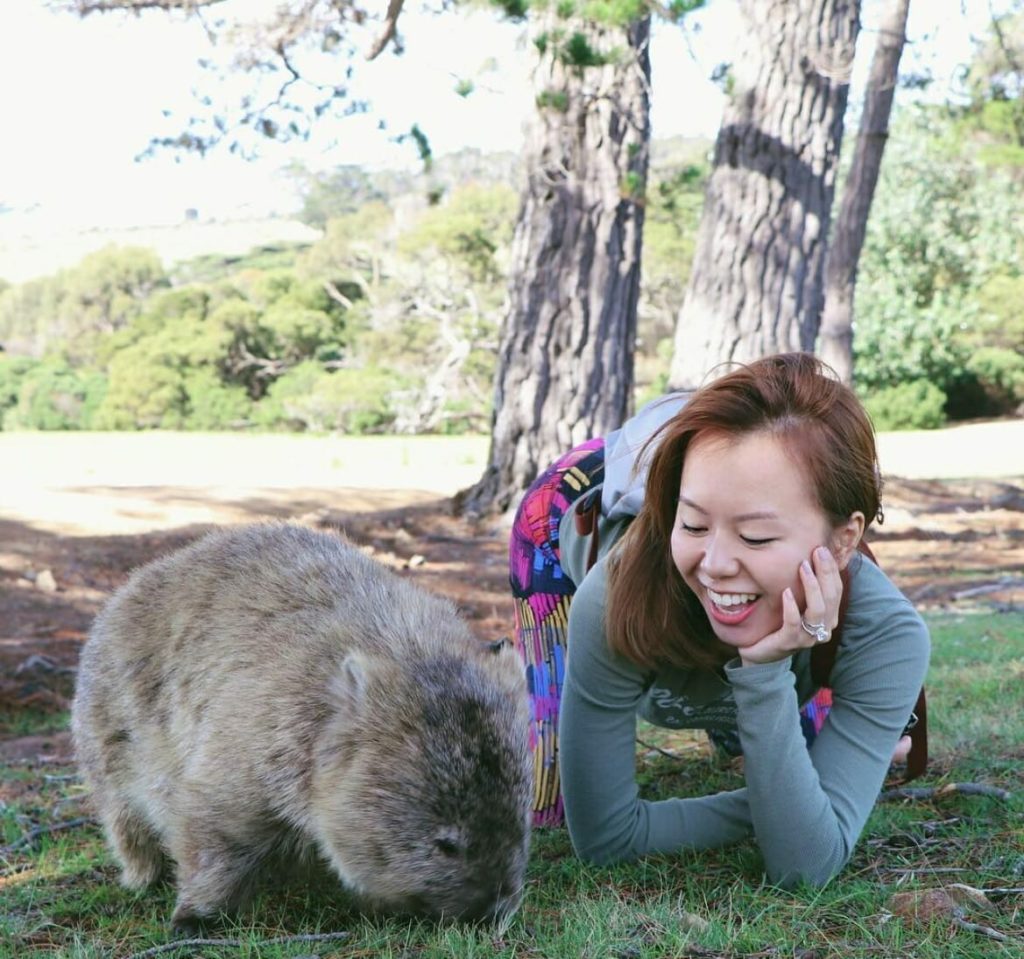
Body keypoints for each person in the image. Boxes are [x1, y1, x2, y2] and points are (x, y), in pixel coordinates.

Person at [509, 353, 930, 887]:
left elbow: (805, 864)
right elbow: (605, 840)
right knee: (547, 804)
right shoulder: (613, 591)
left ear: (845, 538)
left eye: (755, 537)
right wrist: (794, 809)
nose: (715, 564)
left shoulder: (887, 636)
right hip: (568, 505)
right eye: (693, 526)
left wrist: (763, 669)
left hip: (749, 575)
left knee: (779, 744)